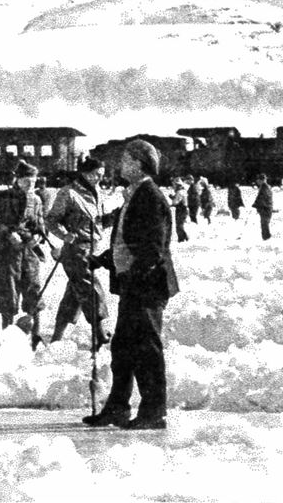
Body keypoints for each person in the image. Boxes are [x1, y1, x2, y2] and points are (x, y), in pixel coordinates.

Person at [83, 139, 179, 430]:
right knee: (123, 346)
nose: (121, 165)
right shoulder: (134, 194)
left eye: (125, 160)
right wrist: (104, 260)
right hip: (135, 283)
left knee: (146, 348)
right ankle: (117, 408)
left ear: (138, 163)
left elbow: (153, 248)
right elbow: (127, 241)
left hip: (146, 286)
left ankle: (154, 412)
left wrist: (135, 276)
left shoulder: (150, 196)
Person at [45, 157, 111, 344]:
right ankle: (99, 332)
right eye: (96, 174)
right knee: (90, 288)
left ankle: (57, 336)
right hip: (76, 250)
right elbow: (51, 220)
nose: (99, 178)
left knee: (74, 294)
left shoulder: (96, 192)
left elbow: (97, 222)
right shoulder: (68, 193)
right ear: (85, 173)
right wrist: (64, 235)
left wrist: (113, 217)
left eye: (102, 175)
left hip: (92, 249)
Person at [0, 160, 46, 334]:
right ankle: (7, 332)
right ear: (18, 180)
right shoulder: (2, 197)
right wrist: (6, 233)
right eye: (27, 181)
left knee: (33, 291)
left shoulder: (36, 200)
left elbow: (40, 225)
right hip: (6, 251)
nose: (31, 185)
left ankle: (35, 334)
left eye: (34, 182)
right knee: (7, 292)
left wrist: (37, 236)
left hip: (28, 251)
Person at [252, 173, 274, 240]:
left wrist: (256, 205)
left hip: (265, 208)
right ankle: (266, 237)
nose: (257, 182)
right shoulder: (265, 187)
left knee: (264, 223)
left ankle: (266, 238)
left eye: (258, 180)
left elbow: (261, 198)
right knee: (264, 223)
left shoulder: (264, 187)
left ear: (261, 180)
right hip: (267, 207)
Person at [170, 179, 189, 243]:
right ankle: (183, 238)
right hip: (184, 209)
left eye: (175, 185)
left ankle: (183, 238)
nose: (174, 186)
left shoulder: (179, 192)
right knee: (180, 225)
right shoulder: (183, 191)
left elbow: (175, 202)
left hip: (181, 210)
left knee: (179, 225)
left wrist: (172, 202)